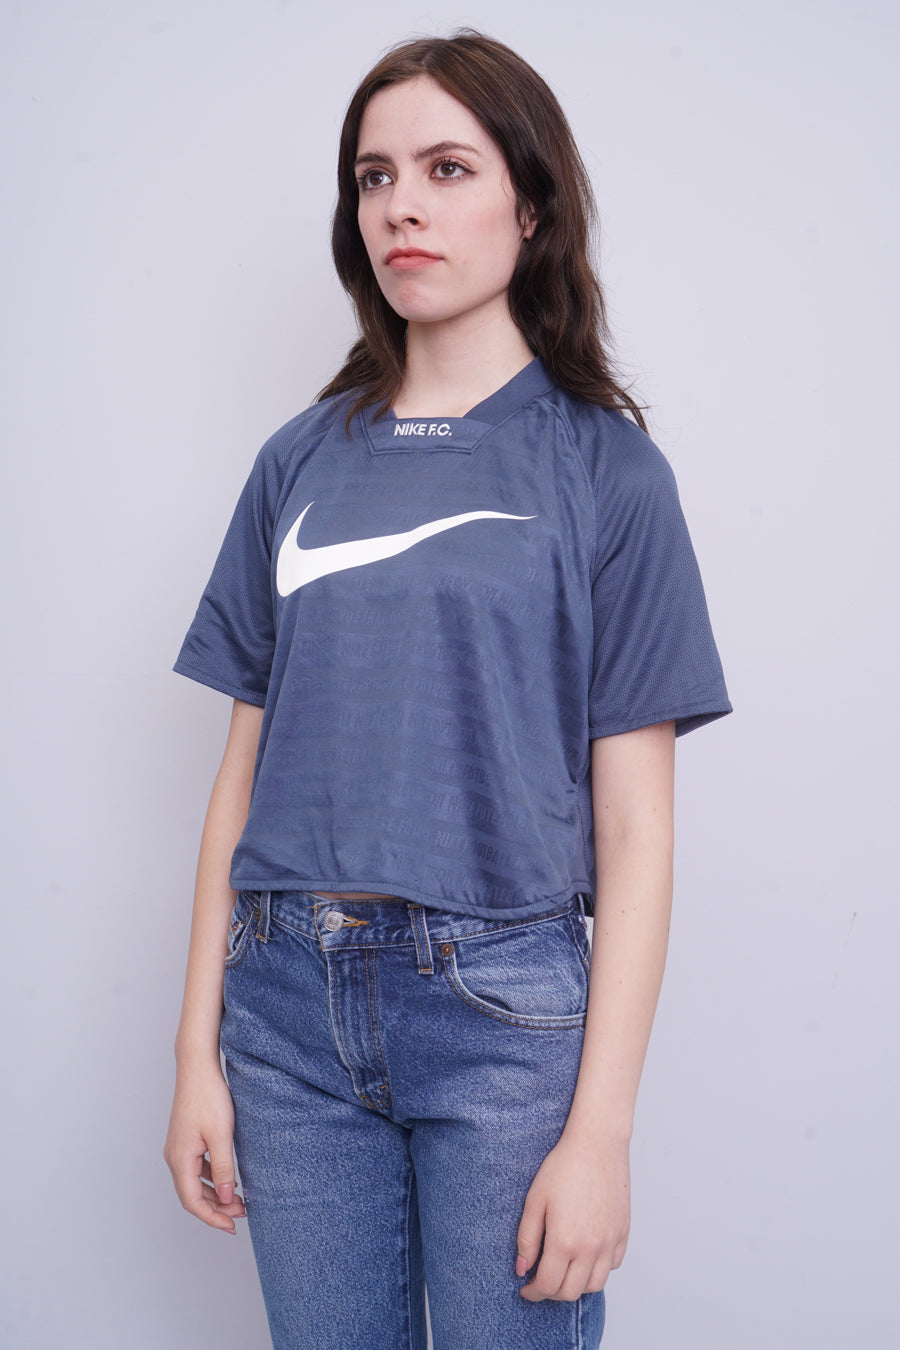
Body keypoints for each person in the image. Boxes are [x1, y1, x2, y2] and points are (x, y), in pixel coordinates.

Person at [164, 29, 731, 1350]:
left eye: (446, 168)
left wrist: (601, 1132)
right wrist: (195, 1055)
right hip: (284, 1010)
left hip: (503, 1014)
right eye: (374, 176)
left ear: (530, 207)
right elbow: (240, 779)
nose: (400, 207)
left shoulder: (608, 475)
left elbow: (638, 826)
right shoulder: (297, 461)